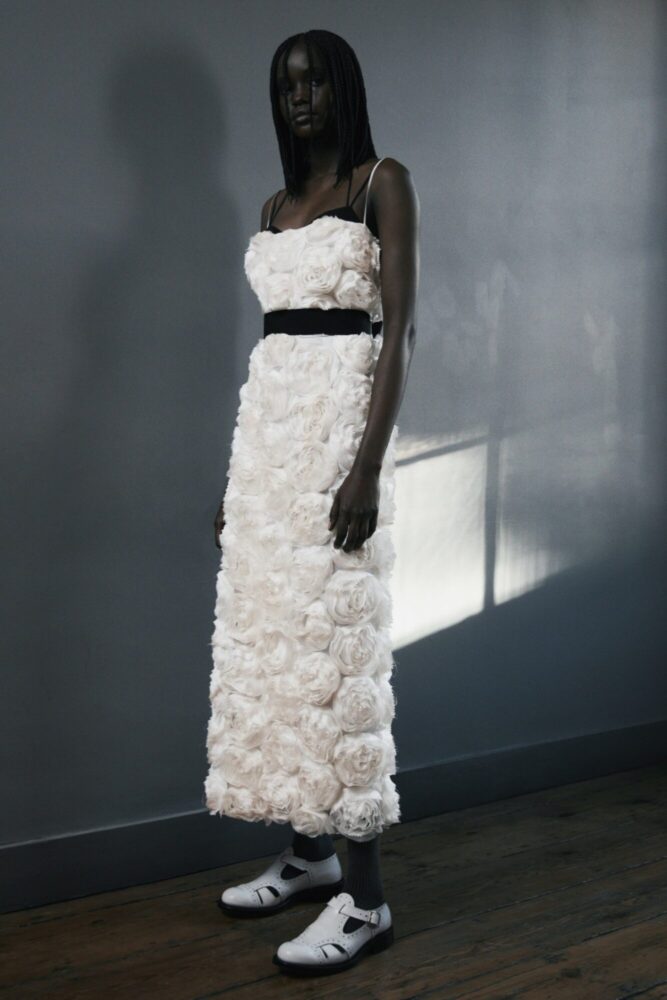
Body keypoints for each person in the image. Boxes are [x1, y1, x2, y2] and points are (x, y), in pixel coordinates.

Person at [204, 28, 419, 975]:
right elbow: (270, 359)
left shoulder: (381, 184)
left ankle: (364, 902)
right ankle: (308, 854)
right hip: (271, 454)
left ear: (343, 89)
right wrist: (240, 485)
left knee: (336, 655)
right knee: (276, 649)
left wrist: (365, 469)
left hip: (340, 453)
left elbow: (398, 332)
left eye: (314, 83)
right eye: (285, 86)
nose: (299, 98)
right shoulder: (276, 205)